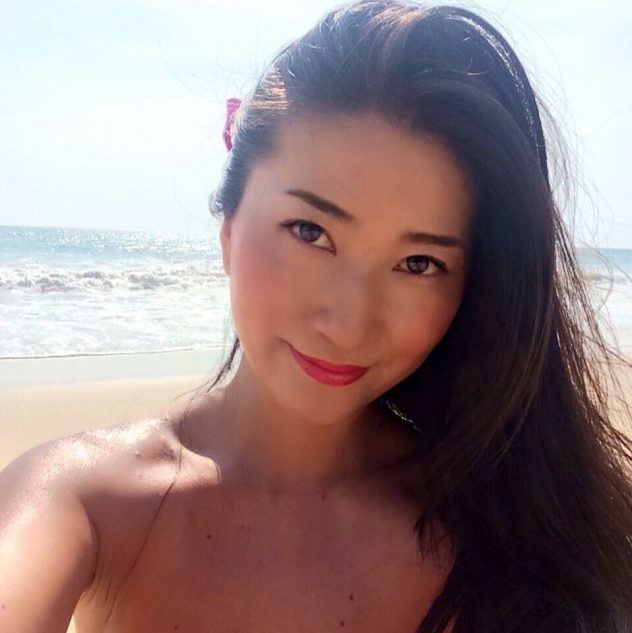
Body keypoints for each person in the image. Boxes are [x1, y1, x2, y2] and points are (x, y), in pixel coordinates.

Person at [1, 1, 631, 631]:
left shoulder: (516, 526)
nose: (348, 325)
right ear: (229, 225)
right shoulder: (85, 503)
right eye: (310, 231)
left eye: (418, 263)